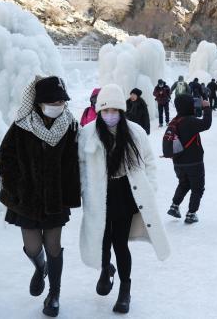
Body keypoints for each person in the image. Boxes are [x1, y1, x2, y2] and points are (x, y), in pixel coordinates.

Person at [78, 84, 170, 314]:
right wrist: (84, 191)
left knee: (119, 243)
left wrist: (151, 188)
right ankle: (105, 270)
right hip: (99, 195)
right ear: (99, 111)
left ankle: (125, 290)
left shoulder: (135, 132)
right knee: (102, 240)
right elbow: (80, 166)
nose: (110, 115)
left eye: (114, 110)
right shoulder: (88, 133)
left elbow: (149, 162)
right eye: (105, 110)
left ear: (121, 110)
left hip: (125, 194)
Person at [0, 76, 81, 317]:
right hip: (27, 200)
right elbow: (5, 159)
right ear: (39, 103)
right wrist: (17, 187)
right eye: (53, 102)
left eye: (61, 101)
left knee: (53, 246)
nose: (58, 105)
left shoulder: (70, 126)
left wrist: (70, 194)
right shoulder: (22, 126)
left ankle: (54, 294)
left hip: (55, 200)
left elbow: (74, 163)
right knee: (32, 246)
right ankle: (39, 266)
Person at [167, 94, 212, 224]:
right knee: (197, 188)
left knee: (184, 183)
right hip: (194, 162)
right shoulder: (190, 121)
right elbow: (206, 124)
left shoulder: (175, 121)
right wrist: (207, 108)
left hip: (178, 162)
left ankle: (174, 206)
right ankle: (191, 213)